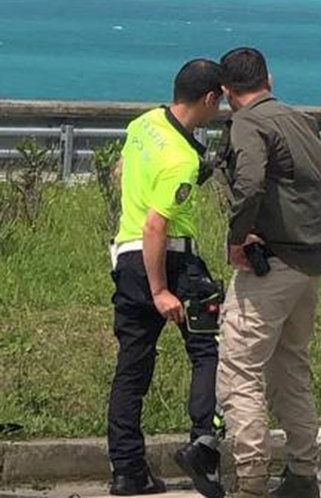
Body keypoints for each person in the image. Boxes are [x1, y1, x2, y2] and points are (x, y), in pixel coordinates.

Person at [214, 47, 321, 498]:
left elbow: (249, 184)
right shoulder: (300, 119)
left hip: (273, 260)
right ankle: (303, 471)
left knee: (239, 368)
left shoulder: (248, 123)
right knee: (290, 368)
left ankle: (251, 478)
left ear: (227, 91)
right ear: (269, 79)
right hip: (310, 260)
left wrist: (236, 238)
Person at [106, 60, 225, 497]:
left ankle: (127, 470)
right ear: (209, 98)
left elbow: (122, 170)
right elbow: (157, 225)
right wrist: (160, 290)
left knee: (132, 366)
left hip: (126, 254)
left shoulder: (144, 123)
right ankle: (203, 445)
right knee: (208, 350)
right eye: (219, 102)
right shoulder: (181, 159)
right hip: (169, 258)